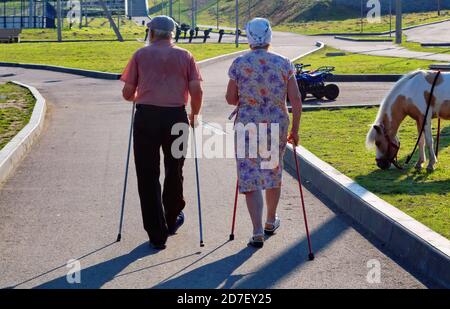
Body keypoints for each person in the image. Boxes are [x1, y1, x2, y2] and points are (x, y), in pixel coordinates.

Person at [121, 16, 203, 250]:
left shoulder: (140, 55)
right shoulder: (185, 56)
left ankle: (157, 233)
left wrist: (139, 96)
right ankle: (172, 217)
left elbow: (128, 93)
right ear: (171, 34)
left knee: (147, 173)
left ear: (152, 33)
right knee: (174, 168)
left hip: (146, 117)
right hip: (176, 117)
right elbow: (197, 89)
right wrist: (194, 115)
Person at [225, 18, 302, 248]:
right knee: (272, 171)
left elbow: (230, 99)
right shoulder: (284, 63)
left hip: (248, 125)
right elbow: (296, 100)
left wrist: (245, 97)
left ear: (248, 37)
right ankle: (270, 221)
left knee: (250, 175)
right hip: (276, 125)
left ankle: (257, 231)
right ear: (270, 37)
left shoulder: (239, 63)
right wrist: (296, 129)